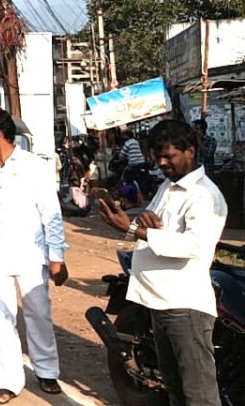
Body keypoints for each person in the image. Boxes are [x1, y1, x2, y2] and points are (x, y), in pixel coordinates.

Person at [97, 120, 227, 406]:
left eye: (170, 156)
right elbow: (154, 225)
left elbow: (195, 245)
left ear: (190, 151)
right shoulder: (168, 188)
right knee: (175, 390)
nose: (163, 162)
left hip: (183, 306)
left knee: (199, 395)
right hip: (159, 302)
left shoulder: (204, 196)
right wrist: (144, 223)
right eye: (158, 156)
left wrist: (133, 229)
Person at [0, 108, 68, 403]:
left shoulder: (35, 167)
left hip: (31, 254)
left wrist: (56, 256)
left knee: (38, 313)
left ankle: (47, 372)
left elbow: (51, 215)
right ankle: (8, 381)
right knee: (0, 318)